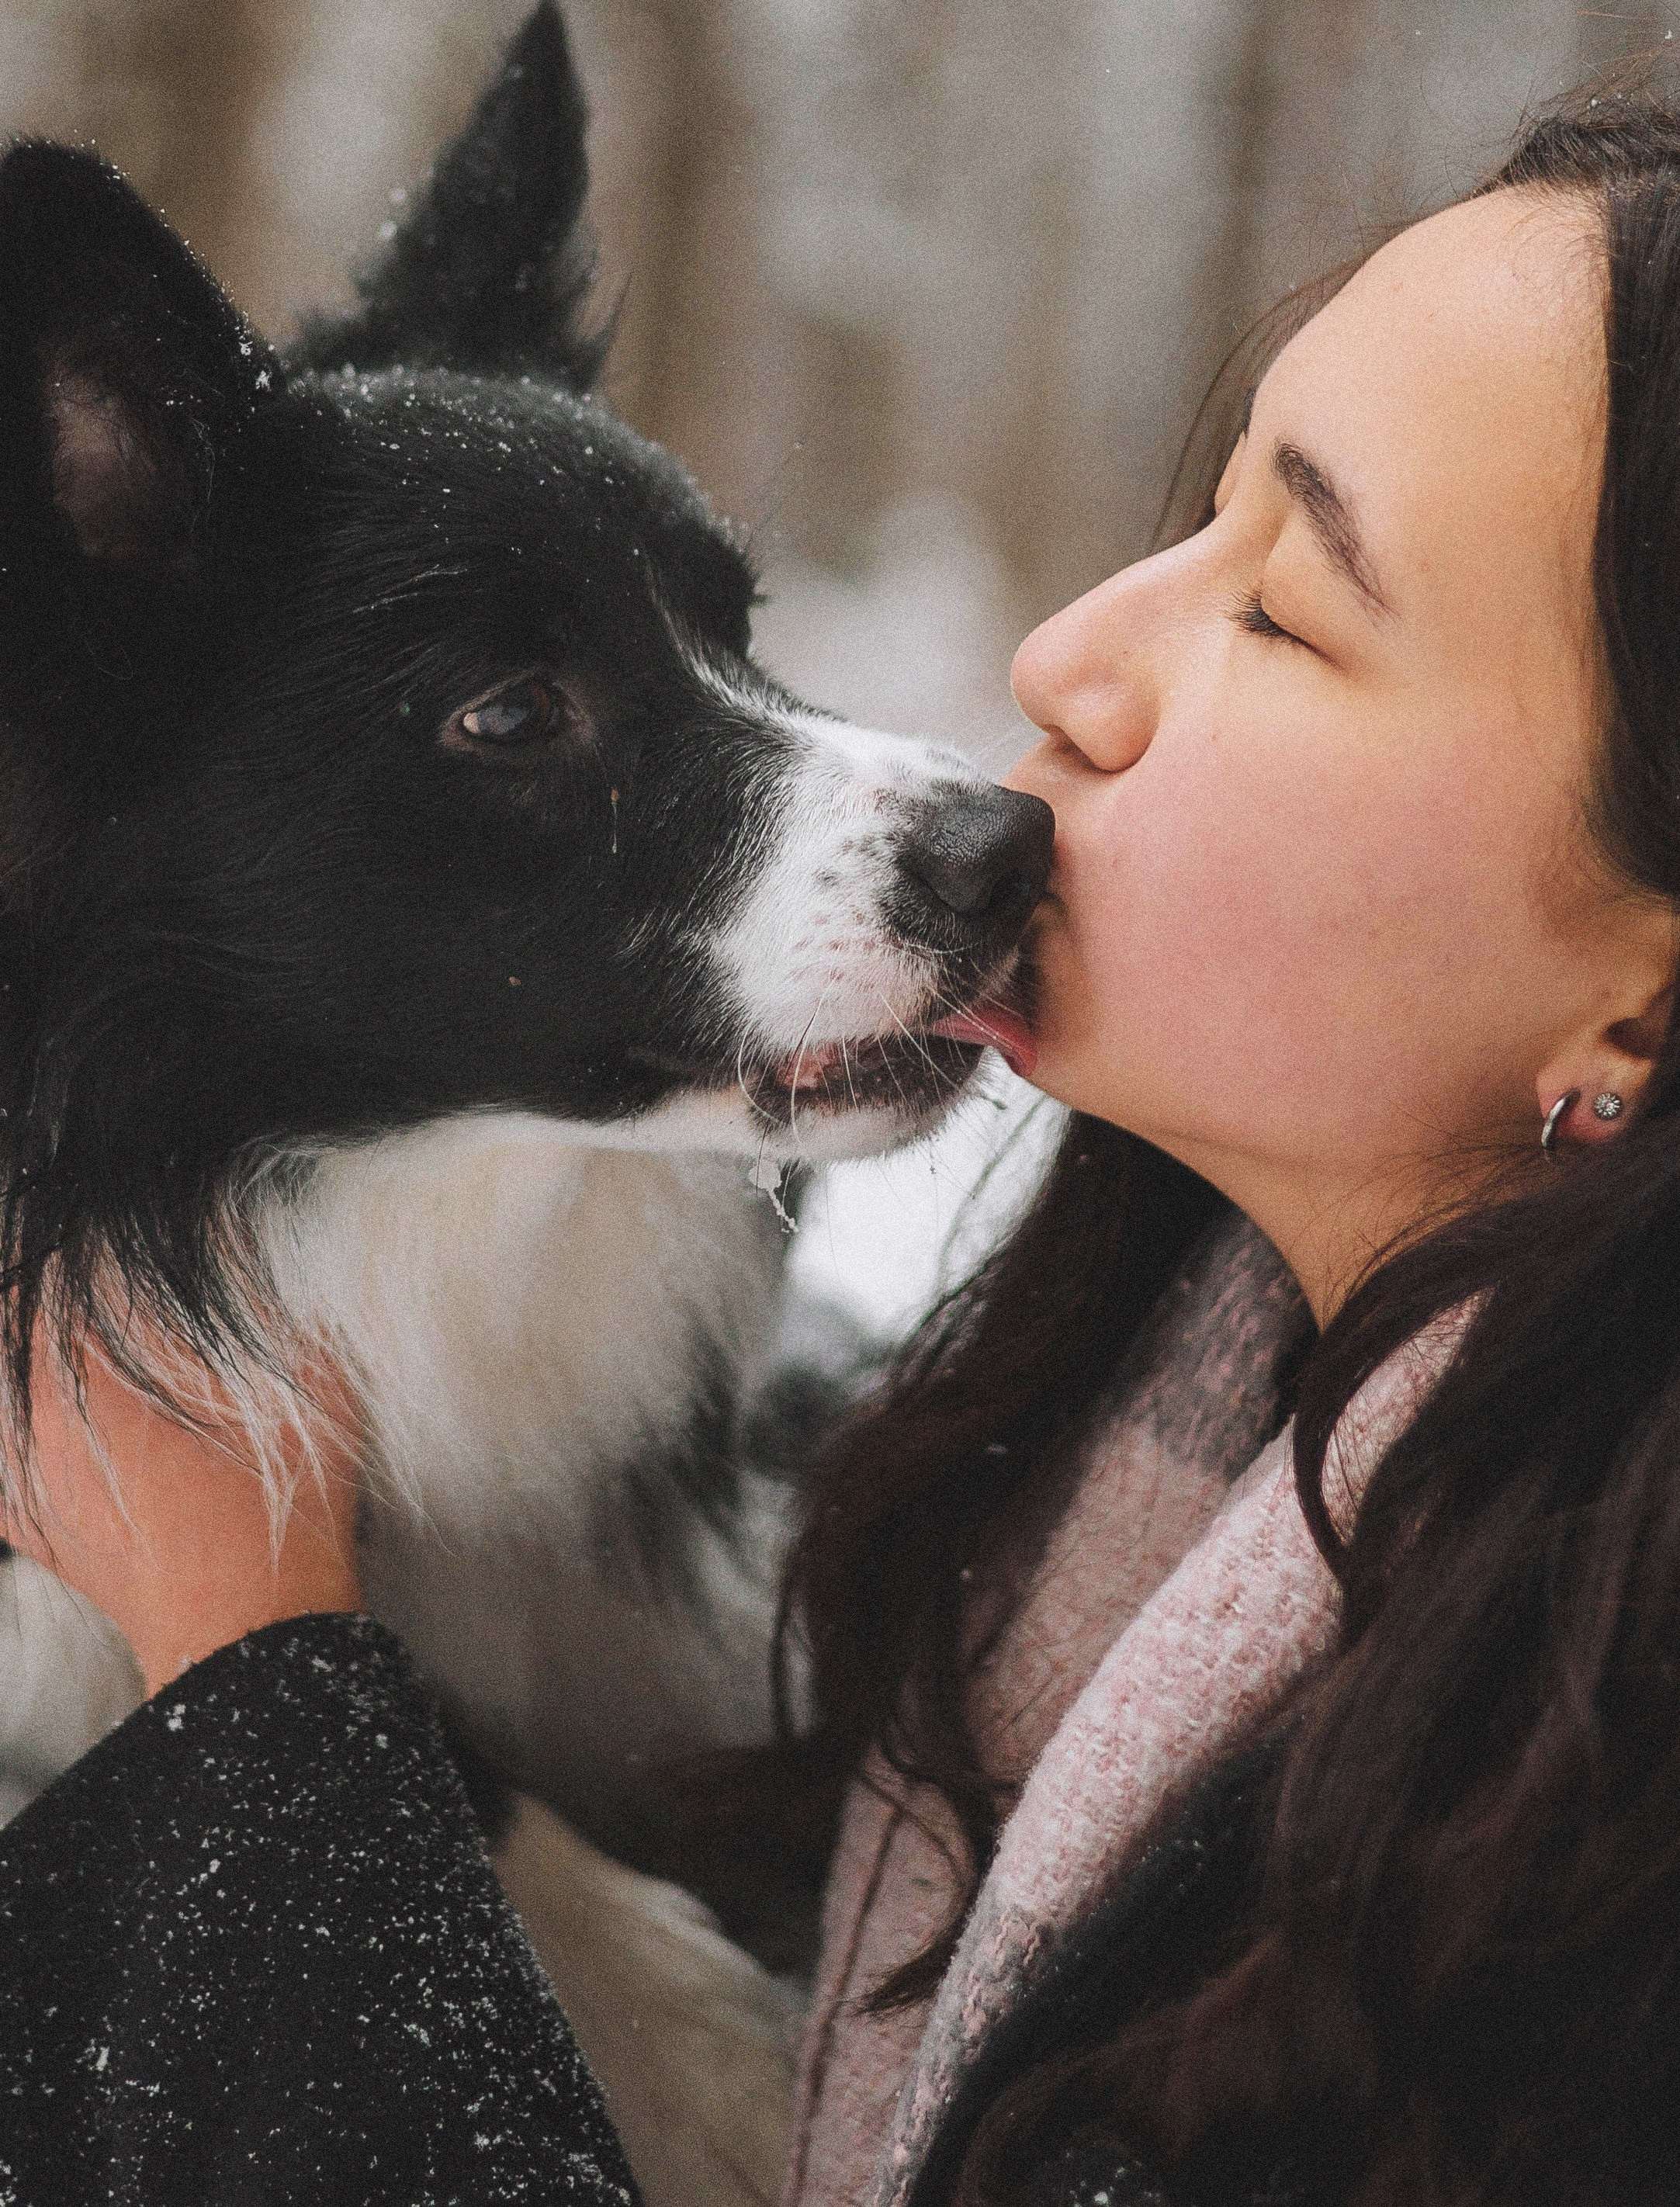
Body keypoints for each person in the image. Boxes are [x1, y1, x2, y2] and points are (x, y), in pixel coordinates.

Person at [7, 78, 1680, 2207]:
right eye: (1206, 516)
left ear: (1639, 978)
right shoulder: (1061, 1471)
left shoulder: (1581, 1900)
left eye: (1288, 607)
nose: (1060, 654)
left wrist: (250, 1658)